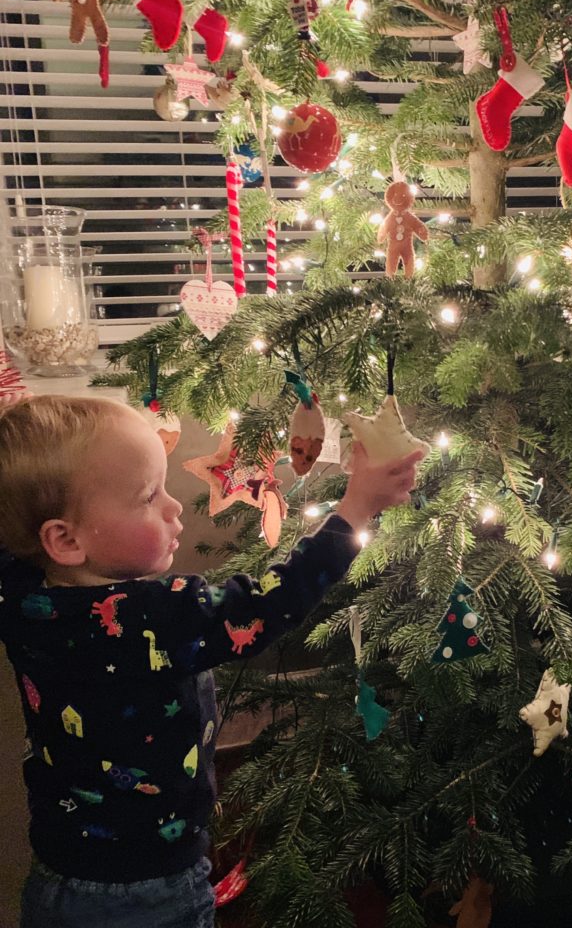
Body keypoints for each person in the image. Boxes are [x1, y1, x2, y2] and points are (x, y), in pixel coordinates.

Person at [0, 395, 423, 928]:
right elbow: (272, 601)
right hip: (152, 891)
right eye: (148, 496)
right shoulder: (155, 615)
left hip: (57, 877)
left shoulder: (18, 595)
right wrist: (357, 507)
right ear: (64, 539)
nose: (174, 507)